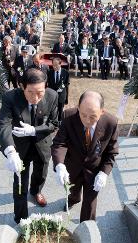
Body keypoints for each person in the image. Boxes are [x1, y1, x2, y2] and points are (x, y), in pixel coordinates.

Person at [0, 68, 59, 224]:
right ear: (22, 86)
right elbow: (3, 125)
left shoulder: (52, 96)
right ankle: (21, 219)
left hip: (41, 144)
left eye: (40, 92)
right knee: (19, 185)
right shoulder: (10, 97)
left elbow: (54, 123)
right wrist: (10, 151)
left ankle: (36, 191)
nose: (36, 97)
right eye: (31, 92)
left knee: (41, 174)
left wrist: (34, 130)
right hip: (19, 149)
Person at [51, 91, 119, 222]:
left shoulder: (111, 123)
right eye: (83, 115)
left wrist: (104, 173)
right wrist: (59, 165)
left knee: (90, 203)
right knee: (74, 191)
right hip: (73, 165)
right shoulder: (68, 116)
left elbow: (112, 152)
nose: (87, 120)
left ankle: (87, 229)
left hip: (94, 169)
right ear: (78, 108)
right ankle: (73, 199)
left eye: (93, 116)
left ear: (102, 112)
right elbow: (59, 143)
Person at [47, 57, 70, 122]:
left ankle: (60, 121)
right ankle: (52, 121)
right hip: (52, 94)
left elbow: (66, 82)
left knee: (60, 108)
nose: (54, 67)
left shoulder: (65, 72)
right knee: (52, 108)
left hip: (61, 94)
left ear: (60, 64)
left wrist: (60, 88)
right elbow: (48, 83)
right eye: (53, 65)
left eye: (56, 65)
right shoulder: (50, 72)